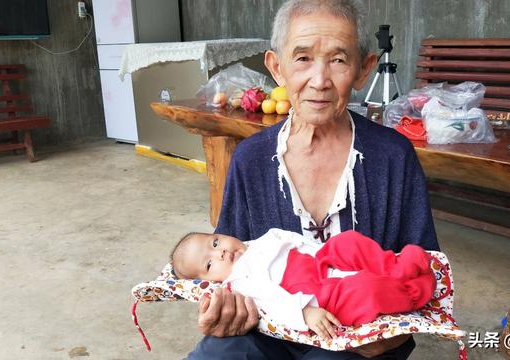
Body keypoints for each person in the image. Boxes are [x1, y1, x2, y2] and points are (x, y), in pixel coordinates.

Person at [188, 0, 439, 359]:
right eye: (302, 58)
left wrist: (393, 329)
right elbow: (230, 266)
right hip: (270, 324)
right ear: (277, 67)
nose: (319, 81)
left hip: (363, 330)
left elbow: (426, 268)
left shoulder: (393, 156)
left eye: (338, 60)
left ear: (363, 69)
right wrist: (225, 308)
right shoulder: (251, 159)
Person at [171, 228, 436, 339]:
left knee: (348, 241)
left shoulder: (265, 238)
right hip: (317, 297)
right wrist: (305, 312)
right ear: (209, 280)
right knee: (364, 289)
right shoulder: (240, 282)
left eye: (215, 243)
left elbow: (298, 241)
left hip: (320, 262)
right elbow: (270, 302)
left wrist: (326, 254)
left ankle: (398, 268)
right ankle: (410, 293)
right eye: (210, 264)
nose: (221, 253)